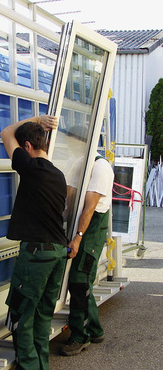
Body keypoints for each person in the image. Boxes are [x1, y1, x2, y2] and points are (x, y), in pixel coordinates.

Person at [1, 115, 68, 370]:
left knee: (20, 316)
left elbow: (6, 132)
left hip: (37, 255)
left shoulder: (31, 168)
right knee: (42, 316)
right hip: (57, 254)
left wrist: (37, 119)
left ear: (27, 146)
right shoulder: (58, 175)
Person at [60, 153, 114, 356]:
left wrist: (78, 238)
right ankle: (94, 329)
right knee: (82, 281)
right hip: (81, 221)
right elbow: (70, 195)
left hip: (93, 227)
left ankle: (80, 336)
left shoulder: (101, 168)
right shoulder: (77, 161)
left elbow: (89, 208)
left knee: (79, 280)